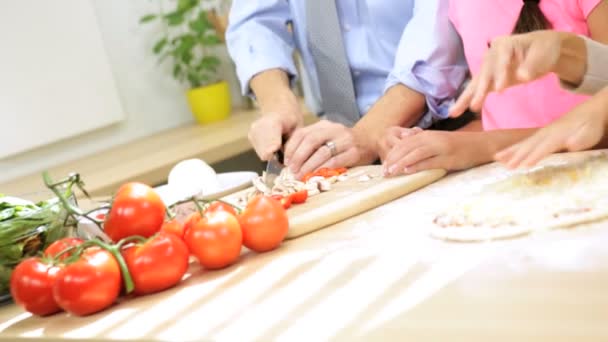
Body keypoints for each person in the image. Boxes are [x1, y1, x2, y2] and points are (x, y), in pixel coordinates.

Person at [225, 0, 467, 179]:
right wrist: (277, 104)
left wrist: (366, 135)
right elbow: (254, 22)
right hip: (336, 147)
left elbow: (440, 33)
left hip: (443, 136)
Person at [381, 0, 608, 177]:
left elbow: (594, 126)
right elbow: (498, 121)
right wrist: (426, 146)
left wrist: (481, 146)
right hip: (515, 181)